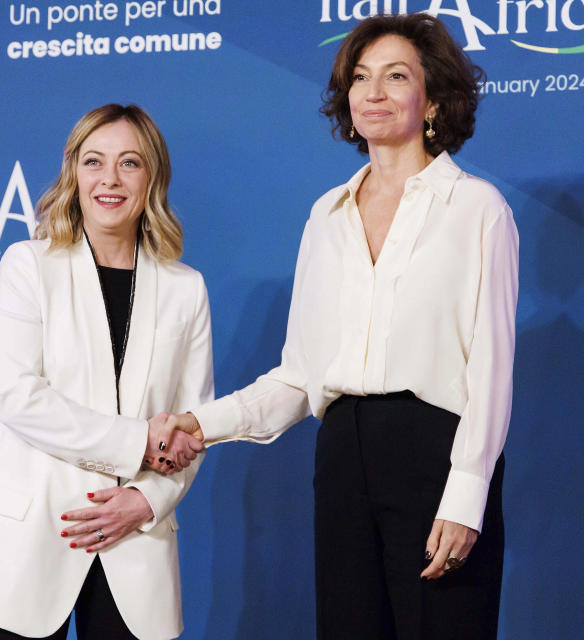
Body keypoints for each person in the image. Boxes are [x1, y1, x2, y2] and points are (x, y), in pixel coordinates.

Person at [168, 13, 518, 639]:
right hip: (342, 461)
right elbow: (300, 376)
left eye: (396, 76)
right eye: (360, 77)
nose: (373, 92)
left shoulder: (477, 209)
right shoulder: (325, 217)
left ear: (433, 97)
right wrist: (202, 424)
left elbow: (491, 371)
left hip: (435, 452)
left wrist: (465, 497)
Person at [0, 104, 213, 640]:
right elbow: (19, 397)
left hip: (136, 544)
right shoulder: (28, 264)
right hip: (25, 540)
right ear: (73, 171)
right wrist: (139, 443)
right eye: (94, 161)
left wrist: (147, 500)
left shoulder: (186, 288)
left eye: (129, 163)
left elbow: (192, 427)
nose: (109, 179)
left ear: (152, 175)